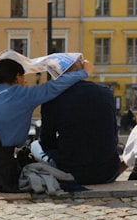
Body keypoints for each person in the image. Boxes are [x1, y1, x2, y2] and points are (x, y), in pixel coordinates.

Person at [0, 53, 95, 148]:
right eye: (24, 79)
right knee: (36, 146)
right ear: (18, 77)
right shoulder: (23, 95)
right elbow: (54, 86)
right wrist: (84, 72)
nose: (24, 83)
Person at [29, 55, 120, 185]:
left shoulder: (53, 98)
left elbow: (47, 141)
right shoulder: (106, 93)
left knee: (34, 145)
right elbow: (113, 134)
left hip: (71, 172)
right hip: (108, 172)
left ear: (57, 74)